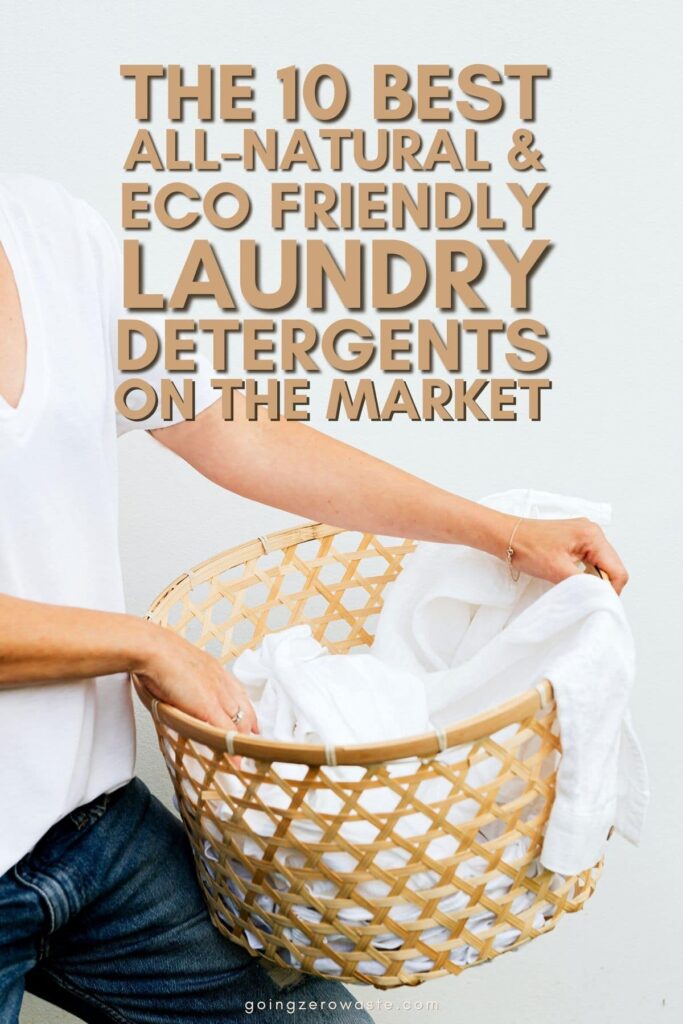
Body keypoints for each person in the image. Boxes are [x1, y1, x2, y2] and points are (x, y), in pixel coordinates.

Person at [0, 173, 628, 1024]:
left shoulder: (54, 237)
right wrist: (147, 644)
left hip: (84, 828)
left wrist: (500, 534)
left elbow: (238, 431)